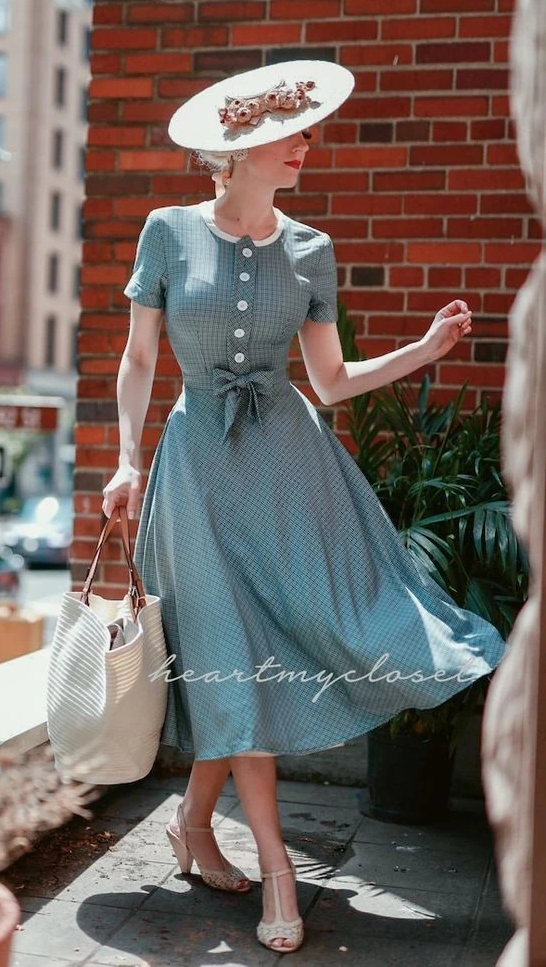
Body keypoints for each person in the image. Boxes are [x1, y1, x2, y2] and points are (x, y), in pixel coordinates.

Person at [101, 60, 508, 954]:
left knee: (264, 652)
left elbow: (329, 383)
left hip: (289, 465)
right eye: (296, 132)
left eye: (308, 132)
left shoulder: (310, 247)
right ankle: (279, 872)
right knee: (229, 657)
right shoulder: (167, 231)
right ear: (243, 145)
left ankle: (193, 829)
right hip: (197, 469)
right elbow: (137, 361)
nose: (307, 146)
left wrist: (425, 347)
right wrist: (125, 463)